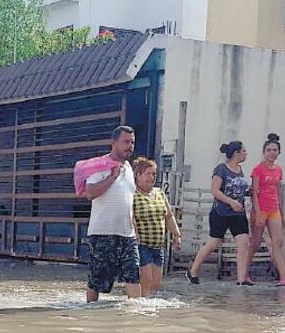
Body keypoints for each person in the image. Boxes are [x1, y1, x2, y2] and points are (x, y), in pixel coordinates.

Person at [83, 125, 141, 302]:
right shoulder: (101, 165)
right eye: (126, 142)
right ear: (114, 142)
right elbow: (90, 193)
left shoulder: (130, 168)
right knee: (96, 281)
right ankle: (89, 314)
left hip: (127, 235)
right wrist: (112, 177)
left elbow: (128, 202)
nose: (130, 146)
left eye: (132, 142)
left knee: (133, 276)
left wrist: (135, 231)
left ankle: (136, 319)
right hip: (102, 233)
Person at [185, 141, 252, 285]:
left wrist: (248, 192)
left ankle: (241, 278)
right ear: (236, 153)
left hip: (238, 213)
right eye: (244, 151)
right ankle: (193, 270)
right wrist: (231, 202)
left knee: (243, 242)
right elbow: (215, 190)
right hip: (221, 211)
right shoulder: (221, 169)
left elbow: (237, 189)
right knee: (214, 242)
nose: (246, 154)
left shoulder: (240, 170)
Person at [245, 134, 285, 287]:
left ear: (279, 152)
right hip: (261, 209)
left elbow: (277, 191)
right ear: (264, 152)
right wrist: (257, 213)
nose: (272, 153)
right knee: (255, 242)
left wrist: (281, 213)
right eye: (269, 150)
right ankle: (243, 273)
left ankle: (284, 276)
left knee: (278, 241)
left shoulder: (278, 170)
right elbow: (254, 192)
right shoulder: (258, 169)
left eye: (275, 150)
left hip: (274, 209)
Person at [132, 157, 183, 297]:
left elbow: (169, 216)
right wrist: (134, 233)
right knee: (146, 279)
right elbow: (129, 217)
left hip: (158, 245)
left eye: (154, 174)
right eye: (147, 174)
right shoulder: (132, 194)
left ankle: (146, 302)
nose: (152, 177)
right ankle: (141, 304)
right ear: (138, 175)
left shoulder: (160, 193)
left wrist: (177, 235)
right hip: (142, 244)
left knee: (156, 281)